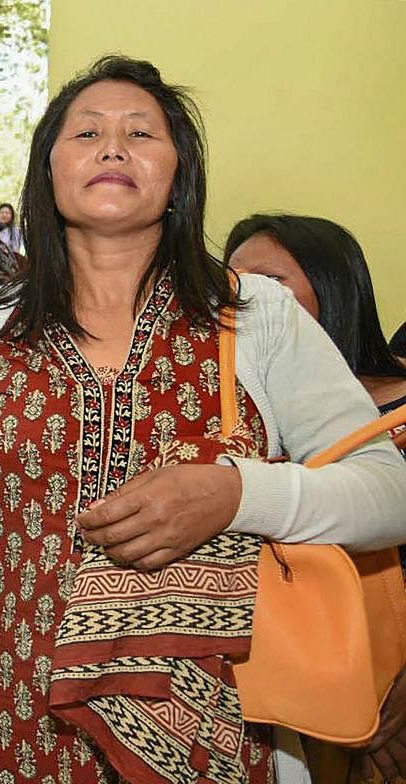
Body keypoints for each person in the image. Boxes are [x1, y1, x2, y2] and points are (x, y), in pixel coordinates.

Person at [0, 55, 406, 784]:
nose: (112, 147)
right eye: (86, 132)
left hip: (206, 727)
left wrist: (237, 496)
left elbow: (390, 492)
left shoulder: (256, 318)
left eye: (140, 132)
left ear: (178, 174)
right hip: (8, 718)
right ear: (48, 173)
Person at [225, 214, 406, 783]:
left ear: (333, 288)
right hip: (287, 692)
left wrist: (398, 691)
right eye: (232, 281)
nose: (244, 298)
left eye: (270, 282)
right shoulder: (245, 414)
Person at [0, 200, 24, 283]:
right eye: (2, 212)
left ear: (12, 216)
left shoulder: (16, 232)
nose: (4, 215)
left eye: (7, 213)